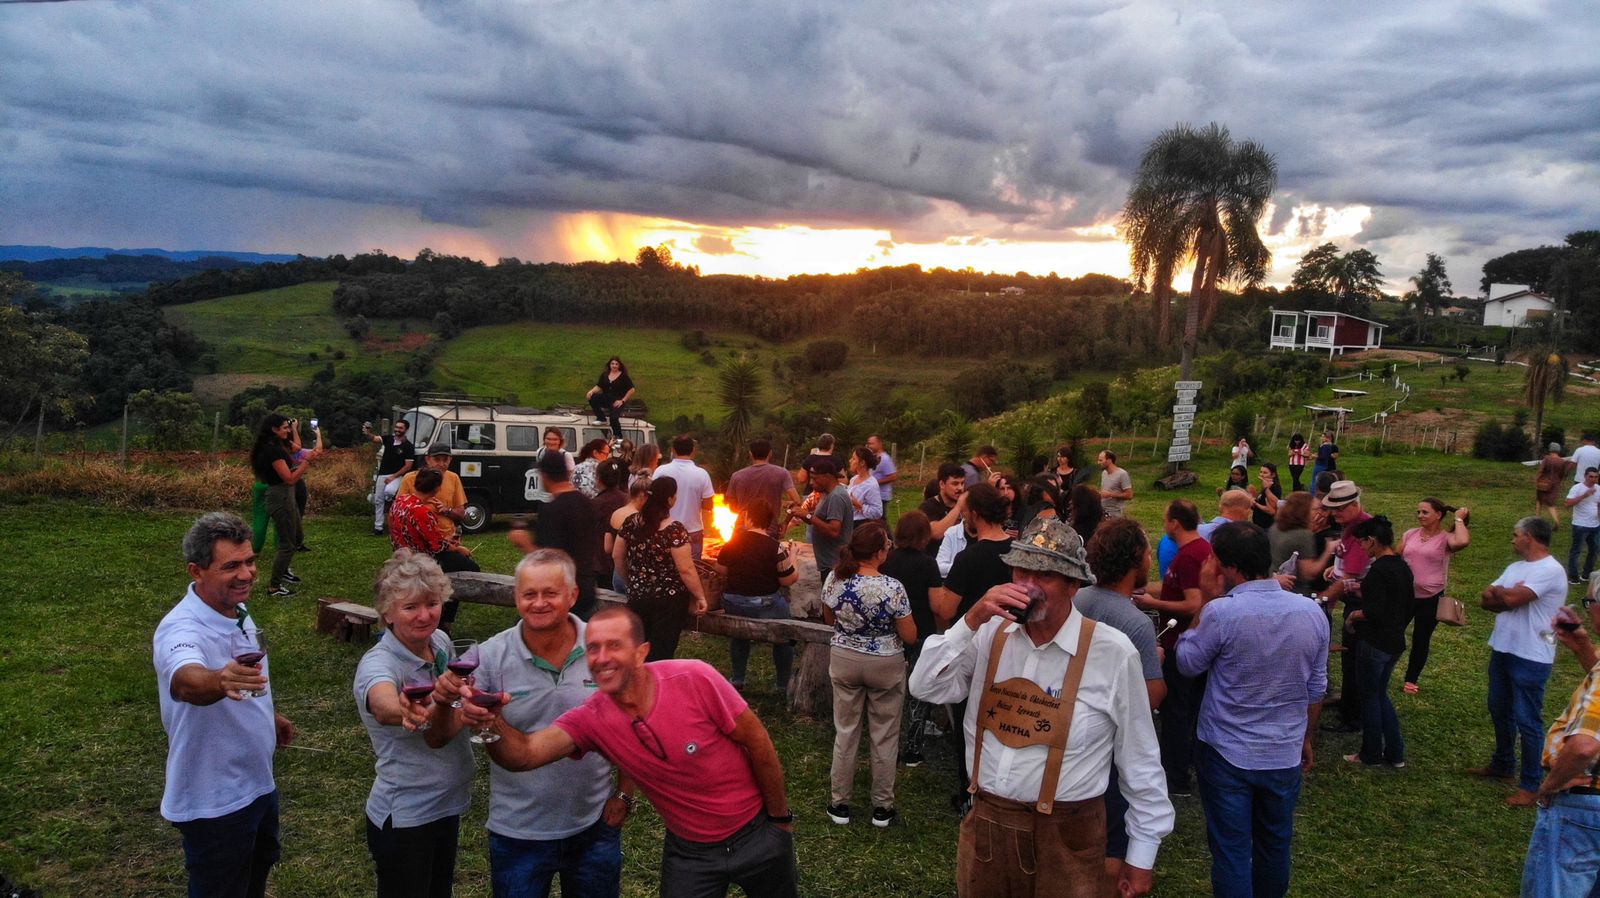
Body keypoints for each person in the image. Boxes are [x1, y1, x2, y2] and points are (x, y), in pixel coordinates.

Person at [909, 517, 1174, 898]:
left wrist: (1141, 856)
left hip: (1067, 837)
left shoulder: (1112, 652)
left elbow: (1140, 759)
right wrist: (971, 619)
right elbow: (924, 685)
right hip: (986, 827)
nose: (1028, 586)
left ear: (1073, 585)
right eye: (1021, 570)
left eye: (1045, 574)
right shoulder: (990, 633)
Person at [465, 606, 798, 898]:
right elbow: (523, 755)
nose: (602, 657)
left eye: (614, 645)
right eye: (592, 648)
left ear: (642, 652)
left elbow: (758, 742)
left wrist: (779, 820)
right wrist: (492, 722)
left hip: (756, 833)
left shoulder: (695, 678)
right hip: (690, 854)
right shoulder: (592, 717)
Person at [429, 550, 627, 898]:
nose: (539, 603)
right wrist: (446, 702)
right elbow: (438, 736)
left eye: (550, 593)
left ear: (573, 596)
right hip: (518, 832)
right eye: (529, 594)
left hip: (593, 826)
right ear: (516, 597)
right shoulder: (489, 657)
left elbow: (630, 725)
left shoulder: (602, 650)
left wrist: (624, 794)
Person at [1176, 522, 1328, 898]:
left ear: (1227, 566)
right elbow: (1316, 688)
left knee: (1231, 850)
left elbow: (1187, 663)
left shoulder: (1222, 613)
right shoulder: (1310, 612)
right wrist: (1306, 738)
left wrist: (1207, 601)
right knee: (1275, 845)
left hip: (1226, 751)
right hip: (1283, 750)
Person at [155, 512, 297, 898]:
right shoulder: (181, 628)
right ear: (196, 571)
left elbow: (245, 678)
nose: (247, 574)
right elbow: (186, 681)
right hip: (215, 800)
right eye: (231, 566)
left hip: (256, 784)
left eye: (250, 561)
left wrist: (268, 716)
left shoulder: (236, 611)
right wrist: (218, 680)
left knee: (255, 878)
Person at [355, 550, 474, 898]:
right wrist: (402, 708)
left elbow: (449, 702)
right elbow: (382, 702)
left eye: (432, 603)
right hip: (407, 817)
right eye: (410, 607)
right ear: (387, 613)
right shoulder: (379, 664)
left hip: (444, 805)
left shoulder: (439, 643)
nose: (425, 616)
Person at [1080, 518, 1168, 894]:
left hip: (1079, 733)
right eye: (1148, 551)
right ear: (1136, 559)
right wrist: (1156, 664)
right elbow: (1148, 697)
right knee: (1113, 835)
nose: (1150, 557)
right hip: (1114, 743)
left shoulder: (1078, 598)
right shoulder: (1136, 624)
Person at [821, 522, 917, 828]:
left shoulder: (835, 579)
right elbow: (910, 635)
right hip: (885, 663)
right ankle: (882, 808)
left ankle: (840, 803)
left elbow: (829, 617)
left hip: (845, 657)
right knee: (885, 735)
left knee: (846, 732)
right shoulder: (893, 588)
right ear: (878, 553)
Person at [1472, 516, 1572, 806]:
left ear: (1529, 536)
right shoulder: (1516, 567)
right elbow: (1486, 600)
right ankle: (1502, 764)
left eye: (1516, 535)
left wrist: (1503, 594)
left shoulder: (1550, 570)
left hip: (1532, 654)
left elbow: (1511, 599)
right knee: (1498, 707)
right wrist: (1505, 594)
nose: (1513, 539)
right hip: (1503, 647)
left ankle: (1531, 784)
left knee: (1528, 719)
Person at [1520, 597, 1600, 897]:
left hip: (1584, 807)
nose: (1588, 607)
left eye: (1590, 601)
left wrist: (1550, 786)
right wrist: (1582, 645)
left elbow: (1583, 747)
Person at [1135, 498, 1211, 796]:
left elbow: (1194, 603)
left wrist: (1153, 603)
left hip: (1180, 643)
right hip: (1189, 642)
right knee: (1188, 710)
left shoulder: (1190, 556)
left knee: (1175, 713)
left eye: (1166, 520)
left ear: (1174, 523)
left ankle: (1176, 778)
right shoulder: (1199, 550)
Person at [1340, 516, 1413, 769]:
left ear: (1372, 541)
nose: (1361, 548)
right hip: (1394, 642)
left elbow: (1374, 611)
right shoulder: (1402, 567)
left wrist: (1353, 615)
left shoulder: (1379, 570)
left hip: (1374, 643)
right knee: (1381, 696)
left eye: (1362, 543)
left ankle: (1370, 753)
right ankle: (1395, 752)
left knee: (1369, 698)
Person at [615, 477, 708, 662]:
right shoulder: (674, 530)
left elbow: (617, 555)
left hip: (638, 597)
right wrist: (700, 596)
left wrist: (630, 582)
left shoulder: (631, 522)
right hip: (669, 602)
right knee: (661, 654)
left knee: (637, 650)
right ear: (670, 500)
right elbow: (686, 568)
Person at [715, 497, 799, 693]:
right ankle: (782, 684)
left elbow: (720, 569)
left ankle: (737, 679)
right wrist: (793, 556)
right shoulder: (775, 547)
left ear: (748, 518)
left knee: (739, 634)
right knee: (785, 633)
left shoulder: (732, 542)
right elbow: (788, 580)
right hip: (765, 605)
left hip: (733, 603)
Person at [881, 511, 941, 768]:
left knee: (887, 690)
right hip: (921, 630)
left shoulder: (886, 560)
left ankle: (884, 742)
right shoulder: (928, 564)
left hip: (890, 629)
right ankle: (913, 749)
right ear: (924, 536)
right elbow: (937, 604)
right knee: (918, 691)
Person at [512, 452, 601, 619]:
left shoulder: (552, 509)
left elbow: (549, 560)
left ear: (544, 476)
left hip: (561, 591)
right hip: (587, 586)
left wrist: (524, 543)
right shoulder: (587, 503)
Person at [389, 469, 480, 630]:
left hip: (403, 555)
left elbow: (425, 538)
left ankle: (443, 618)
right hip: (423, 560)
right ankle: (445, 622)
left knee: (455, 571)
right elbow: (437, 547)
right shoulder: (422, 512)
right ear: (437, 489)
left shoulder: (400, 502)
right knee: (470, 569)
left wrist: (446, 542)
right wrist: (459, 549)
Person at [1399, 497, 1471, 693]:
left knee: (1421, 639)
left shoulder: (1446, 539)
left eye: (1425, 512)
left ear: (1438, 515)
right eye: (1418, 512)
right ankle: (1384, 668)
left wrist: (1458, 519)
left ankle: (1411, 679)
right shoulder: (1410, 534)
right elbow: (1395, 557)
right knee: (1394, 632)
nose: (1420, 516)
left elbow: (1463, 540)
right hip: (1406, 595)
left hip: (1431, 597)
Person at [251, 414, 318, 597]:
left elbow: (287, 472)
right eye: (284, 428)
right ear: (274, 429)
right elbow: (289, 480)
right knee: (287, 544)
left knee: (297, 537)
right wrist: (306, 463)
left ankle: (284, 570)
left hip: (286, 495)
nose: (287, 430)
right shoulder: (272, 450)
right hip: (280, 496)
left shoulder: (276, 446)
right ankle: (274, 587)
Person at [655, 435, 715, 561]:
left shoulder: (660, 471)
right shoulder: (702, 474)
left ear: (673, 450)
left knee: (665, 565)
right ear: (693, 450)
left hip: (663, 527)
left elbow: (652, 499)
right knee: (693, 568)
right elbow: (709, 505)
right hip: (692, 530)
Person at [726, 438, 800, 538]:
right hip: (769, 529)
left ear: (750, 454)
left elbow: (732, 507)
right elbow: (797, 501)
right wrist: (786, 523)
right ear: (770, 454)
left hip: (742, 529)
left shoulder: (737, 476)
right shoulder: (782, 473)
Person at [799, 458, 854, 586]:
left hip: (834, 564)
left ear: (827, 476)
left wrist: (808, 516)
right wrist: (803, 515)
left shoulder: (836, 497)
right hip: (827, 563)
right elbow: (821, 520)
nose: (811, 483)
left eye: (815, 478)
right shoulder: (827, 494)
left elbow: (834, 530)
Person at [398, 444, 468, 544]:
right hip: (418, 538)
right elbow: (398, 511)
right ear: (427, 459)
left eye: (445, 460)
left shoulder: (453, 478)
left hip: (446, 537)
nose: (441, 464)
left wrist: (447, 510)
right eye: (437, 459)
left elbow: (461, 513)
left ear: (450, 459)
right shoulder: (410, 478)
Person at [365, 419, 416, 536]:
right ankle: (378, 528)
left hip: (397, 475)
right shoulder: (388, 439)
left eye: (400, 428)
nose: (397, 430)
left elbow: (408, 466)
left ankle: (392, 510)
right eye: (396, 427)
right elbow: (374, 439)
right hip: (382, 474)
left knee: (389, 492)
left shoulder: (408, 446)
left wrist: (393, 476)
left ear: (406, 430)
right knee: (378, 500)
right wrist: (367, 432)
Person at [606, 476, 650, 595]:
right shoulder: (639, 519)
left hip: (617, 573)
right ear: (643, 496)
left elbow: (608, 547)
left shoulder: (616, 513)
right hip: (634, 574)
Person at [1269, 492, 1320, 595]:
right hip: (1293, 590)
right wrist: (1329, 549)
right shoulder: (1303, 535)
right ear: (1304, 511)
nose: (1318, 513)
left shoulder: (1276, 527)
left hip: (1272, 583)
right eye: (1314, 509)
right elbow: (1308, 573)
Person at [917, 462, 967, 553]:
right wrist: (958, 507)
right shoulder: (928, 506)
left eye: (962, 483)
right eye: (955, 484)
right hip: (935, 559)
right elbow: (936, 533)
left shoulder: (967, 505)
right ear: (942, 484)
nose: (960, 488)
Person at [585, 356, 636, 440]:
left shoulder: (623, 376)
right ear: (609, 365)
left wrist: (622, 400)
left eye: (616, 364)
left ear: (619, 365)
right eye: (612, 364)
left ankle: (618, 437)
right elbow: (599, 386)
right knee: (592, 398)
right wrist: (591, 391)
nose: (614, 366)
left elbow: (632, 389)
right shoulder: (605, 375)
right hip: (606, 398)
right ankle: (601, 418)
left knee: (614, 418)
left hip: (617, 400)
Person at [1566, 467, 1600, 585]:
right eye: (1591, 476)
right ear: (1585, 476)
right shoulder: (1577, 488)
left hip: (1595, 525)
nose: (1593, 479)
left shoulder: (1598, 488)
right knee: (1577, 550)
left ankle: (1586, 574)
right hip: (1580, 524)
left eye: (1596, 477)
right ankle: (1573, 576)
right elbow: (1567, 504)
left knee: (1594, 550)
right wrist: (1584, 496)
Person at [1537, 442, 1570, 531]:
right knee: (1551, 504)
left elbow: (1541, 470)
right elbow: (1563, 474)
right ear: (1558, 450)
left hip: (1543, 483)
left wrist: (1537, 479)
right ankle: (1556, 520)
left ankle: (1537, 520)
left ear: (1550, 449)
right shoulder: (1562, 461)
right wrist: (1561, 482)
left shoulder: (1546, 459)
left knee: (1539, 501)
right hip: (1555, 484)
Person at [847, 445, 885, 523]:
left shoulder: (871, 485)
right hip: (849, 523)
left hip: (860, 524)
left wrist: (859, 506)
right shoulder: (853, 479)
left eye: (854, 458)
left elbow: (877, 512)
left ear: (862, 463)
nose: (850, 461)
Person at [1097, 449, 1133, 519]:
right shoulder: (1104, 473)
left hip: (1114, 513)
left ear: (1109, 460)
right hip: (1102, 511)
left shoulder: (1122, 474)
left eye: (1101, 460)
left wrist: (1110, 494)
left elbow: (1129, 495)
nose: (1098, 462)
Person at [867, 434, 898, 509]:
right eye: (868, 443)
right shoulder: (873, 457)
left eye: (872, 443)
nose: (869, 446)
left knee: (880, 519)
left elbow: (893, 476)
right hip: (873, 494)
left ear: (879, 443)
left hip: (881, 496)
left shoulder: (885, 459)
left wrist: (875, 482)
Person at [1250, 463, 1282, 529]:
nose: (1261, 474)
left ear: (1273, 475)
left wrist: (1255, 503)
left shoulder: (1273, 488)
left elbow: (1271, 510)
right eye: (1261, 472)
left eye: (1265, 473)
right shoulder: (1266, 486)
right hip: (1260, 523)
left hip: (1266, 524)